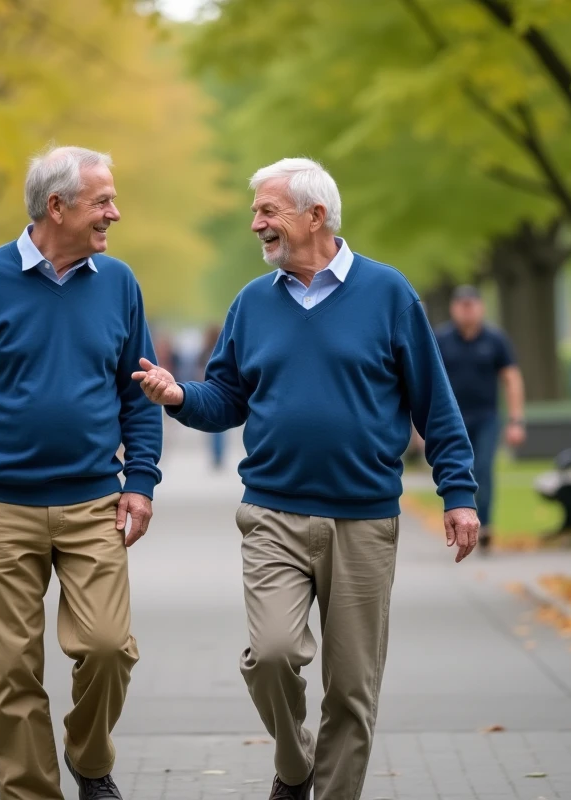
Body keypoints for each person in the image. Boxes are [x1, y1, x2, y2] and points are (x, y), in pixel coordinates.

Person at [132, 158, 478, 800]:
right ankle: (294, 769)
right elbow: (227, 399)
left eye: (268, 210)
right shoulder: (251, 304)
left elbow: (436, 405)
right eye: (257, 210)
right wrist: (179, 394)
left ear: (315, 216)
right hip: (274, 515)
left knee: (351, 691)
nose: (255, 223)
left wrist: (458, 494)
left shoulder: (388, 294)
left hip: (365, 519)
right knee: (271, 655)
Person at [0, 145, 162, 800]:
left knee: (110, 647)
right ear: (55, 206)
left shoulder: (119, 283)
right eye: (103, 201)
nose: (115, 212)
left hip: (93, 501)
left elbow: (137, 393)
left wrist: (140, 482)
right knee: (11, 673)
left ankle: (89, 759)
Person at [434, 285, 526, 552]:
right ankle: (458, 521)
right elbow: (427, 382)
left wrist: (516, 420)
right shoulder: (441, 339)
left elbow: (511, 378)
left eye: (471, 304)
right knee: (457, 470)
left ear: (480, 307)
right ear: (454, 308)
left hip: (487, 417)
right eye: (462, 305)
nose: (467, 309)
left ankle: (484, 525)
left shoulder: (495, 339)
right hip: (453, 420)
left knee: (483, 469)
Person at [198, 322, 226, 469]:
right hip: (222, 391)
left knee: (212, 426)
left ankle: (216, 455)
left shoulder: (206, 351)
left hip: (208, 389)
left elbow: (199, 369)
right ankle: (218, 455)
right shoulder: (223, 349)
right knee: (221, 428)